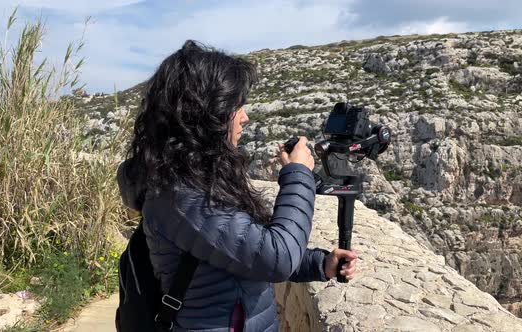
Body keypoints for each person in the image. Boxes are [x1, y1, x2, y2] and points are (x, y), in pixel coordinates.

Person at [117, 40, 357, 332]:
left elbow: (247, 248)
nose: (244, 116)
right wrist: (298, 174)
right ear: (205, 113)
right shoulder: (180, 194)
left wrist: (320, 264)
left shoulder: (196, 179)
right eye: (236, 106)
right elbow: (276, 258)